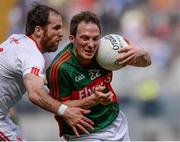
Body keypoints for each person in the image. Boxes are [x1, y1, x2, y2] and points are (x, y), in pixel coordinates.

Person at [46, 11, 151, 141]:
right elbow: (58, 106)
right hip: (85, 133)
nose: (91, 45)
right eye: (85, 38)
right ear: (72, 38)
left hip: (115, 121)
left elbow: (146, 63)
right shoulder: (60, 68)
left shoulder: (107, 51)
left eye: (95, 38)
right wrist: (93, 100)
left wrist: (141, 52)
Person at [0, 4, 94, 141]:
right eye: (56, 28)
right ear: (38, 30)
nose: (61, 33)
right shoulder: (33, 55)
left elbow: (28, 78)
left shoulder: (16, 40)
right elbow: (35, 93)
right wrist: (65, 111)